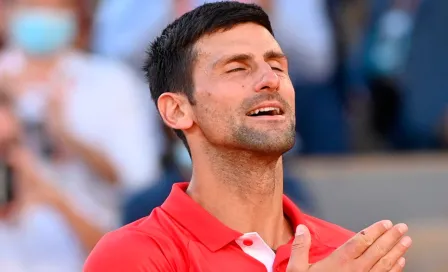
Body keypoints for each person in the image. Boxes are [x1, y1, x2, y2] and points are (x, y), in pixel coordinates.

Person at [84, 2, 412, 271]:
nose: (270, 79)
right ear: (178, 110)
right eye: (237, 68)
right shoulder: (134, 256)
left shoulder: (348, 255)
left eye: (278, 66)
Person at [0, 0, 161, 271]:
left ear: (76, 15)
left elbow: (140, 181)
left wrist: (67, 136)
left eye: (53, 9)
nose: (41, 17)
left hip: (85, 253)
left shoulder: (111, 82)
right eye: (31, 6)